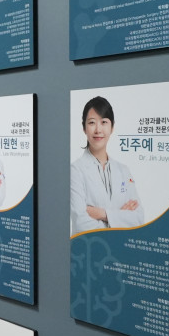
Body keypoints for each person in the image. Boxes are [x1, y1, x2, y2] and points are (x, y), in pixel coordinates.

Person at [70, 94, 145, 235]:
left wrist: (103, 214)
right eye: (92, 123)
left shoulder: (123, 170)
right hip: (88, 245)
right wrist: (120, 217)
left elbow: (139, 218)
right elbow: (81, 223)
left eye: (104, 122)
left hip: (120, 246)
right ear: (84, 128)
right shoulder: (75, 170)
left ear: (112, 127)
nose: (98, 130)